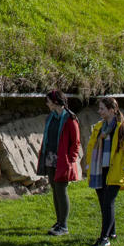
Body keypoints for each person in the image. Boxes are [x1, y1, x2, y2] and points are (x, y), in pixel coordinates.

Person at [83, 96, 124, 246]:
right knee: (103, 202)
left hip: (115, 169)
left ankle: (104, 238)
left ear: (112, 110)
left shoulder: (123, 127)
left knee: (108, 203)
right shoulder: (99, 127)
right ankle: (112, 232)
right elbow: (91, 146)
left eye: (102, 109)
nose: (99, 112)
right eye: (99, 109)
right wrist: (88, 163)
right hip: (99, 168)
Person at [36, 89, 81, 236]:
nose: (47, 104)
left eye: (48, 101)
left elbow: (75, 143)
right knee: (55, 190)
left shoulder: (70, 119)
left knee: (61, 191)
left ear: (55, 102)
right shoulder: (51, 117)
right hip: (50, 158)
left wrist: (70, 160)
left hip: (63, 160)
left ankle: (64, 226)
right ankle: (59, 220)